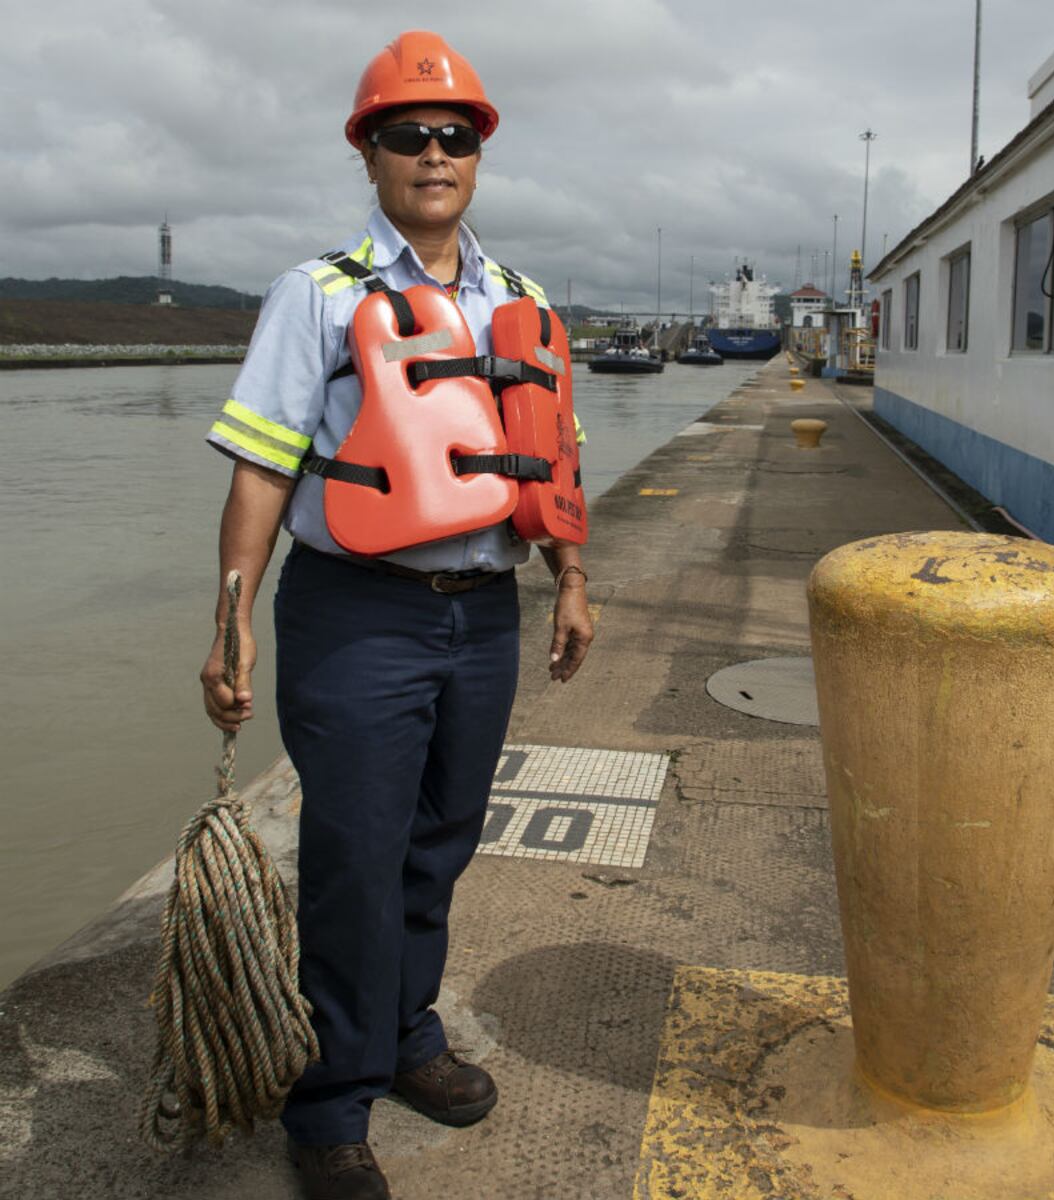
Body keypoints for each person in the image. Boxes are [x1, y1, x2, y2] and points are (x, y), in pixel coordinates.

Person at [200, 31, 592, 1200]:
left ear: (478, 155)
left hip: (487, 615)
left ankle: (407, 1036)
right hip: (357, 615)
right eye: (408, 135)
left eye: (454, 136)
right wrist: (231, 620)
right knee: (353, 859)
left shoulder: (520, 301)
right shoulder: (315, 296)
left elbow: (555, 450)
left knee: (439, 844)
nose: (434, 153)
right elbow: (263, 473)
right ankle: (328, 1100)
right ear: (368, 151)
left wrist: (573, 578)